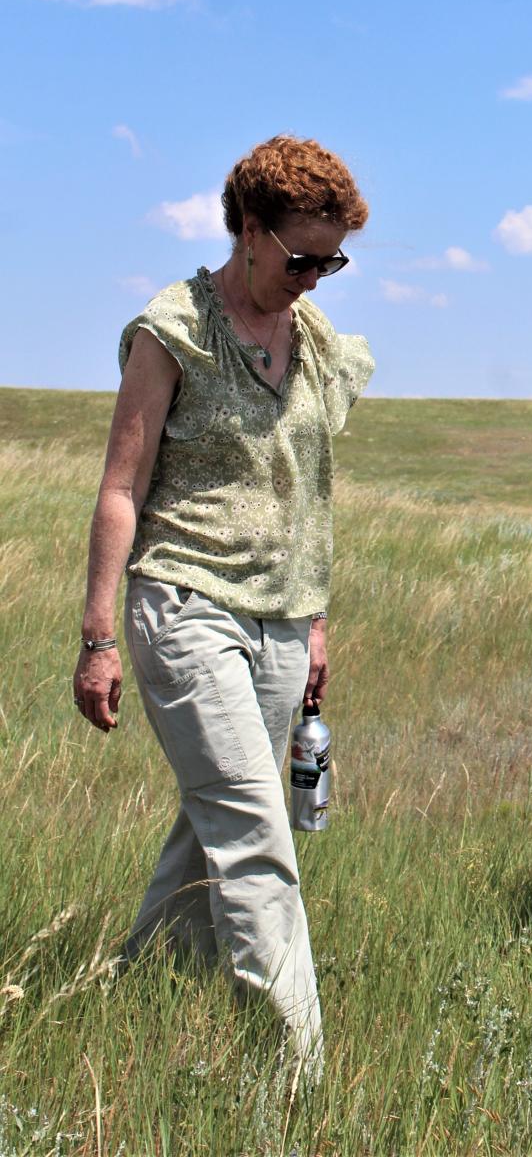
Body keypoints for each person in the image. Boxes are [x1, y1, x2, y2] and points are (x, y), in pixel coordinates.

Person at [72, 134, 374, 1082]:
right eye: (301, 257)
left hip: (283, 621)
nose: (316, 279)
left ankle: (135, 996)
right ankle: (300, 1077)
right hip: (186, 603)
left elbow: (310, 489)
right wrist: (97, 637)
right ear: (249, 230)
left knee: (210, 827)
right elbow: (121, 487)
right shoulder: (176, 331)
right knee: (254, 831)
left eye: (333, 260)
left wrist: (316, 618)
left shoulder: (315, 341)